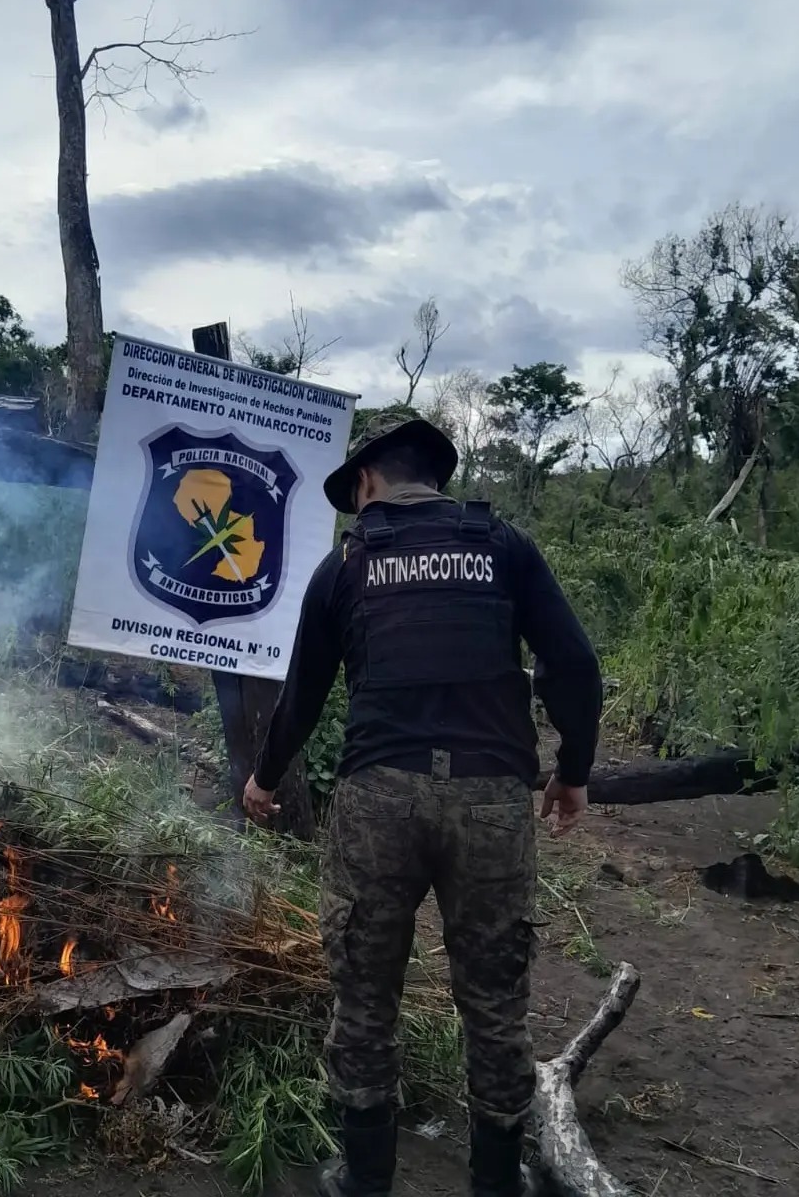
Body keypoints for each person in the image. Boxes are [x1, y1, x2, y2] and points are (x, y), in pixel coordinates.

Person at [242, 409, 603, 1197]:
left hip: (379, 802)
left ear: (368, 481)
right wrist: (573, 770)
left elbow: (302, 695)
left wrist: (264, 778)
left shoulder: (347, 566)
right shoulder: (502, 548)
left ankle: (365, 1181)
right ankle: (495, 1184)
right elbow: (574, 663)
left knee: (366, 996)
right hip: (490, 804)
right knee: (496, 1003)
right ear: (433, 477)